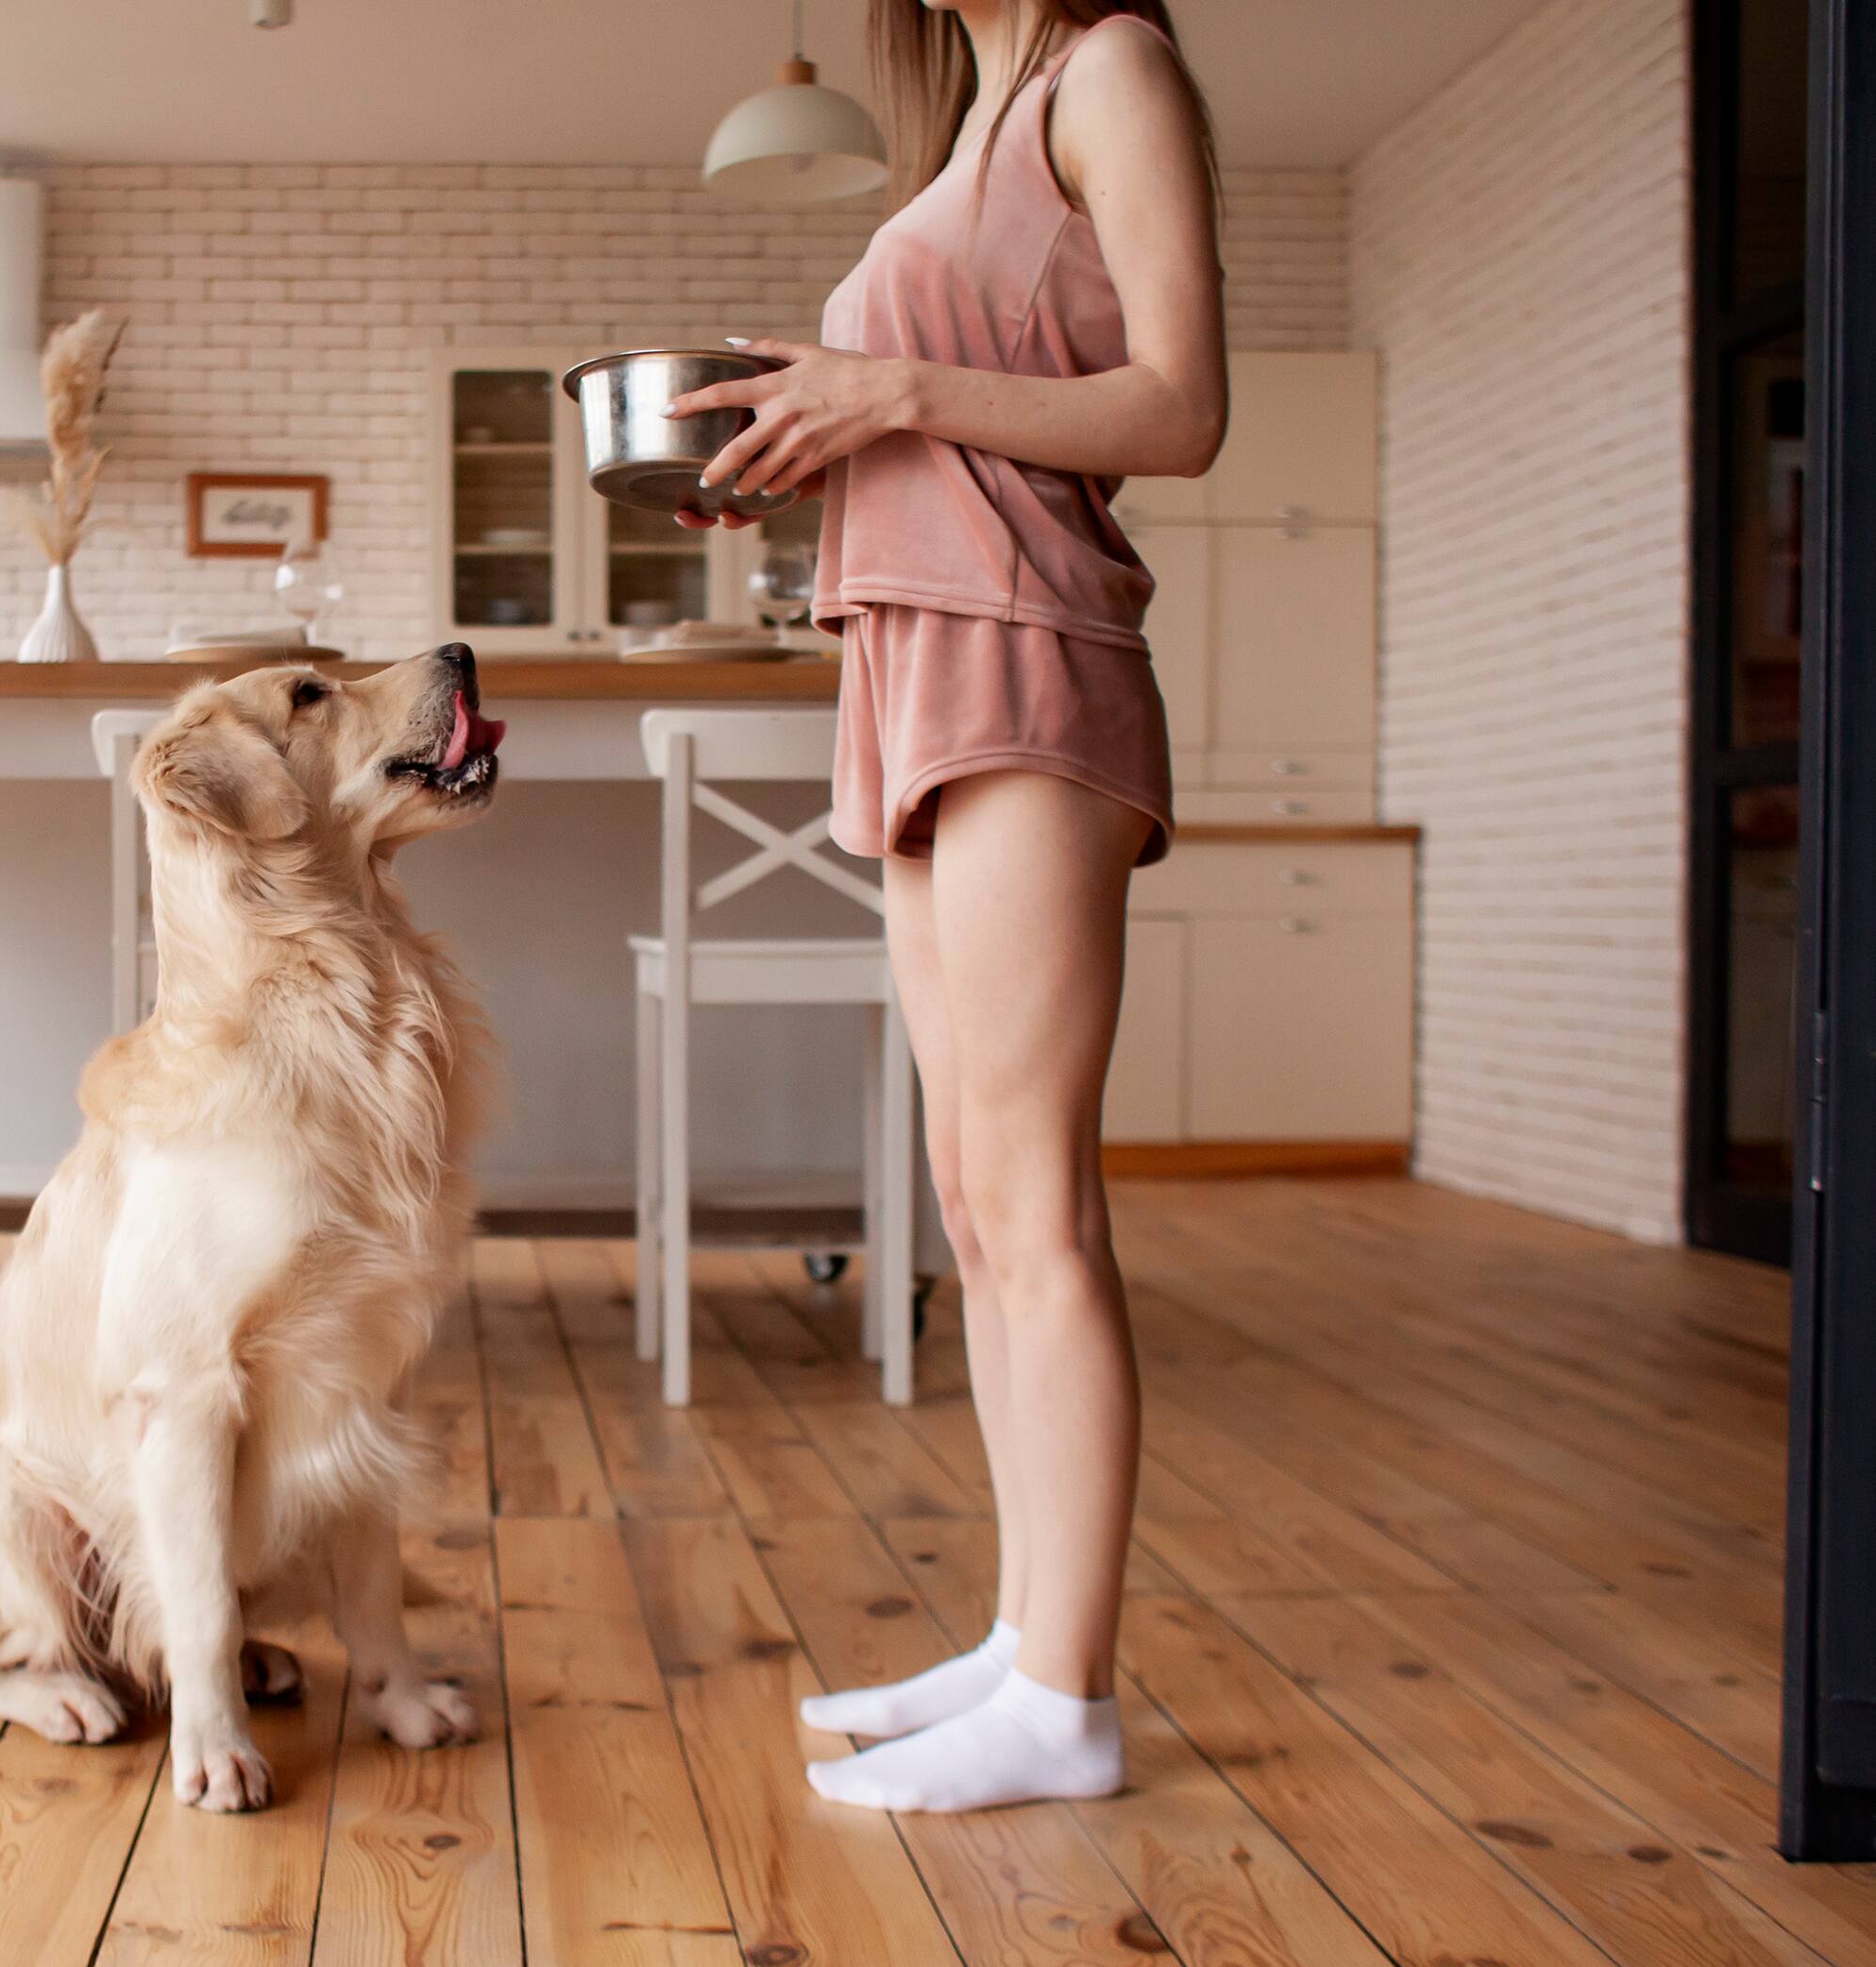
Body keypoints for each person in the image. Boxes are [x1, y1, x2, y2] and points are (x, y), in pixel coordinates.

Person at [670, 0, 1225, 1813]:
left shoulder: (1107, 68)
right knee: (975, 1203)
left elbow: (1181, 406)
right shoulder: (964, 123)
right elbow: (965, 423)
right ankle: (1023, 1640)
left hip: (1026, 648)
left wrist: (887, 390)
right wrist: (808, 446)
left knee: (1037, 1201)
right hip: (909, 661)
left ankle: (1068, 1702)